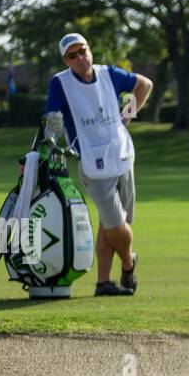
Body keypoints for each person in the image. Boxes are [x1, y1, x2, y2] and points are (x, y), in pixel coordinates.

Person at [45, 32, 152, 296]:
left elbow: (144, 85)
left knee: (109, 223)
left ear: (89, 50)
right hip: (94, 163)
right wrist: (53, 135)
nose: (80, 57)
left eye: (83, 51)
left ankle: (103, 283)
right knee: (117, 225)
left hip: (123, 154)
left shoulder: (108, 73)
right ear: (66, 60)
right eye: (73, 55)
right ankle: (129, 264)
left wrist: (126, 117)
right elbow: (53, 117)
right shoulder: (61, 83)